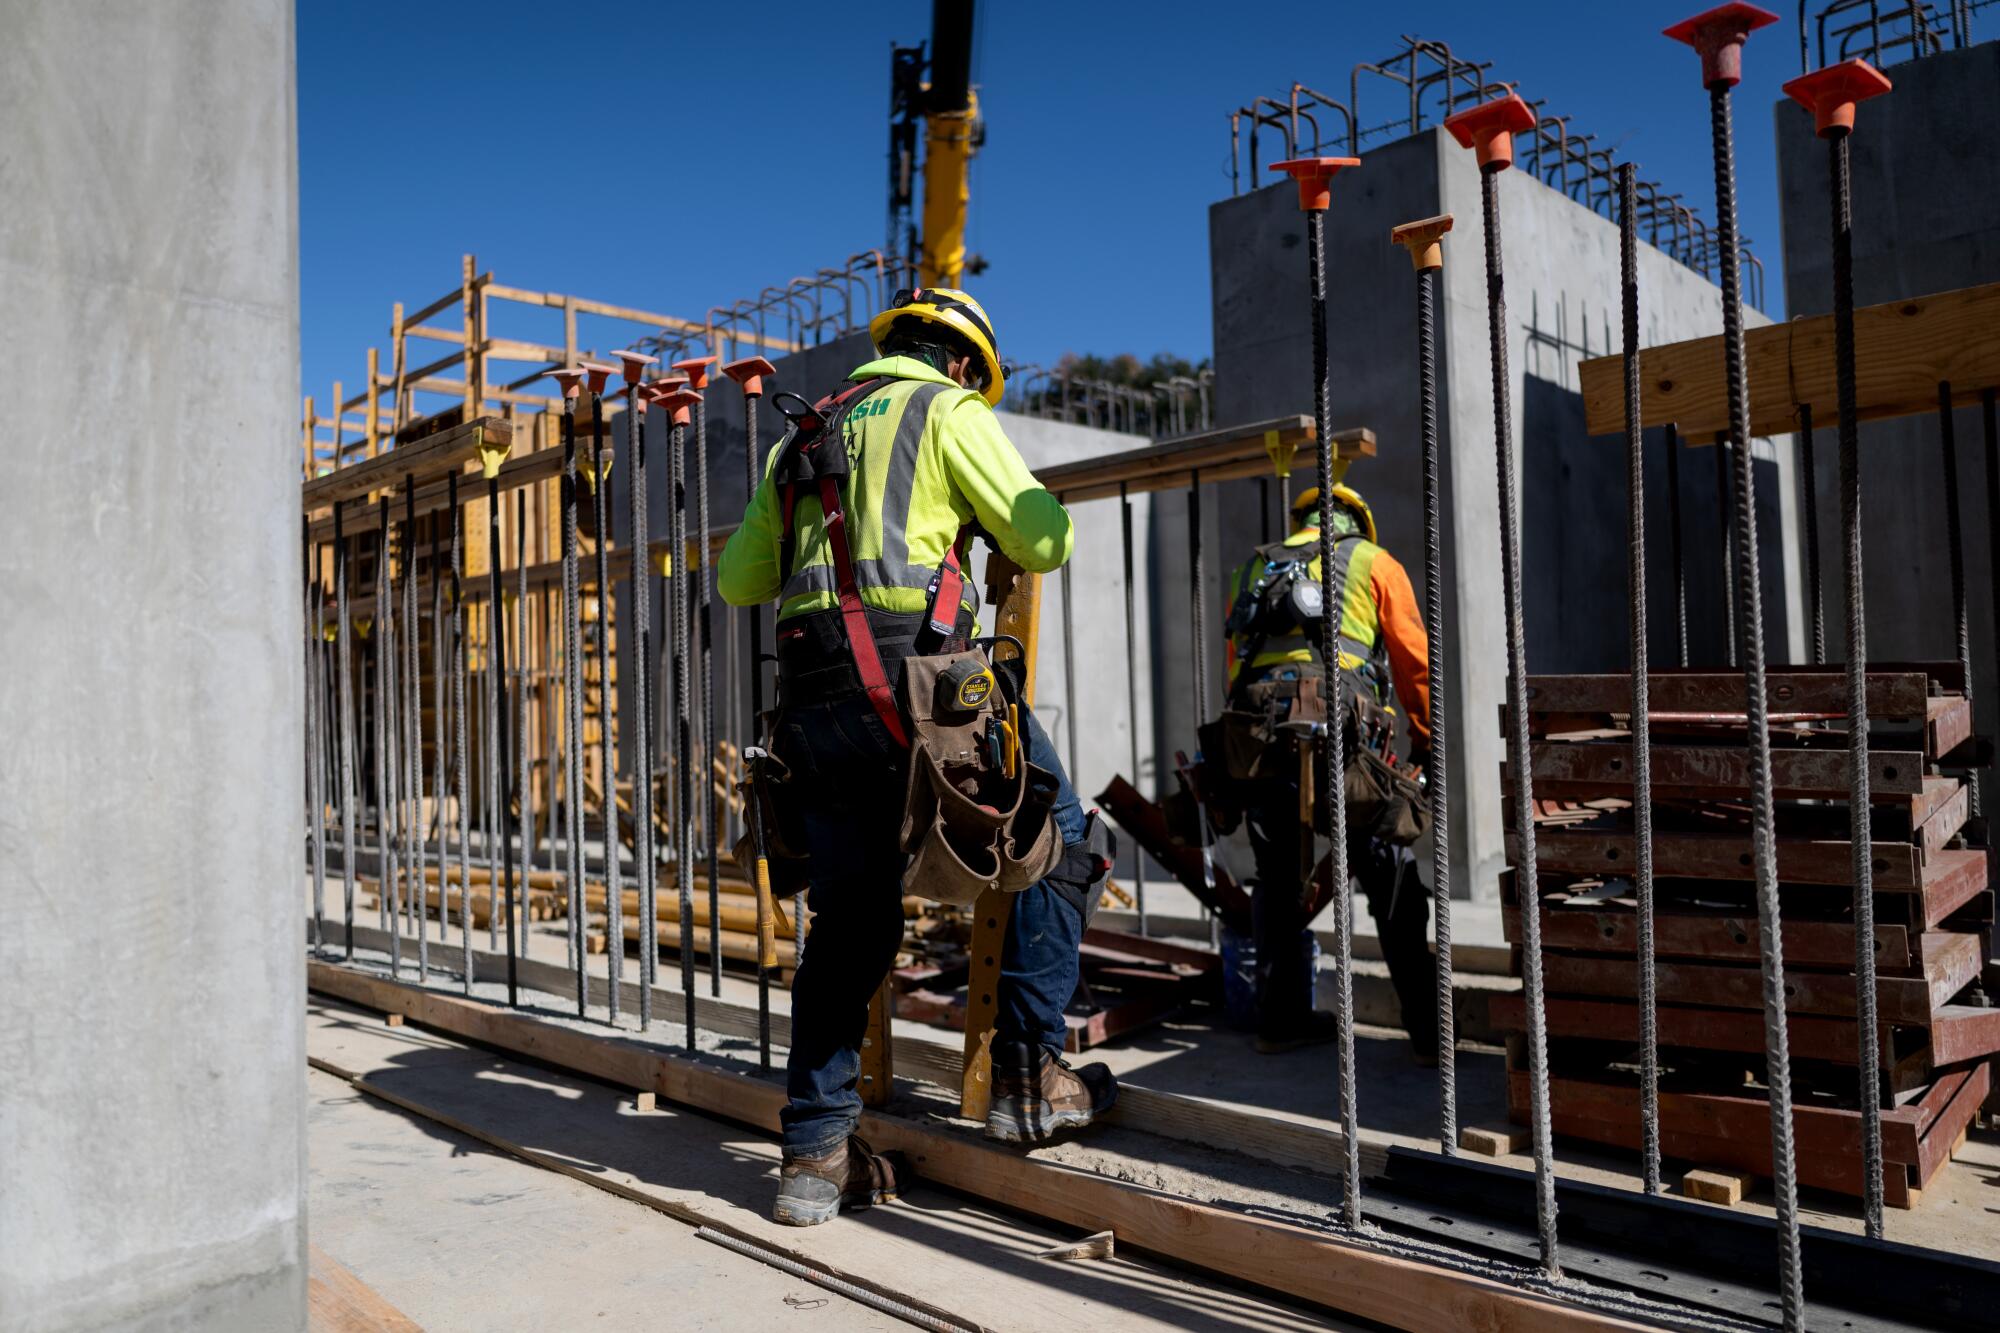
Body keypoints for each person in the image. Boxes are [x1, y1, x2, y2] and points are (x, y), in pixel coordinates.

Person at [718, 287, 1116, 1228]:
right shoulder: (950, 409)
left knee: (850, 921)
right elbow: (1043, 539)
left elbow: (741, 578)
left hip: (814, 708)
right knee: (1058, 837)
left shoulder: (801, 432)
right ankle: (1028, 1071)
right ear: (968, 363)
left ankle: (815, 1156)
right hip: (924, 699)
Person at [1219, 483, 1437, 1059]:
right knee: (1386, 868)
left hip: (1261, 734)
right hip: (1344, 732)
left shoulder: (1254, 568)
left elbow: (1233, 665)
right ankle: (1429, 1035)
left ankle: (1278, 1022)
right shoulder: (1371, 560)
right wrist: (1427, 736)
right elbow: (1415, 661)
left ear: (1301, 520)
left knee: (1275, 879)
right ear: (1356, 521)